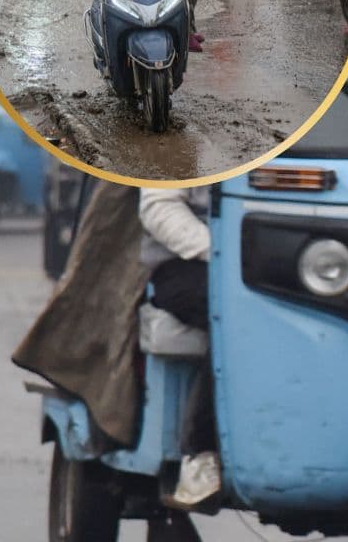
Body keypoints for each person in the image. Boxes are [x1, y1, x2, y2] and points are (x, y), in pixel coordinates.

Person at [139, 187, 220, 508]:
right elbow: (159, 207)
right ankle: (200, 452)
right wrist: (218, 250)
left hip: (283, 258)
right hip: (188, 264)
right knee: (241, 314)